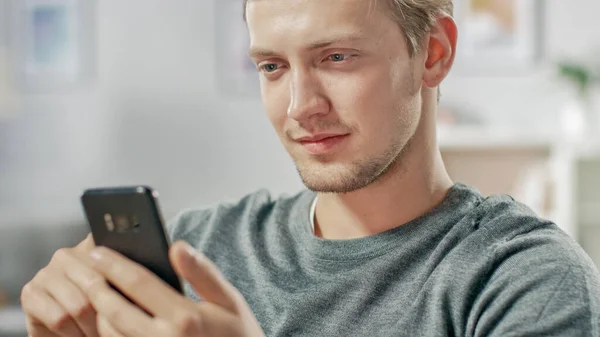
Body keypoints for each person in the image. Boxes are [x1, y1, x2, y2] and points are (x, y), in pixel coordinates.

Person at [20, 0, 600, 336]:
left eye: (337, 58)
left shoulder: (521, 279)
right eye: (272, 67)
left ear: (434, 53)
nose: (300, 107)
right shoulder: (196, 252)